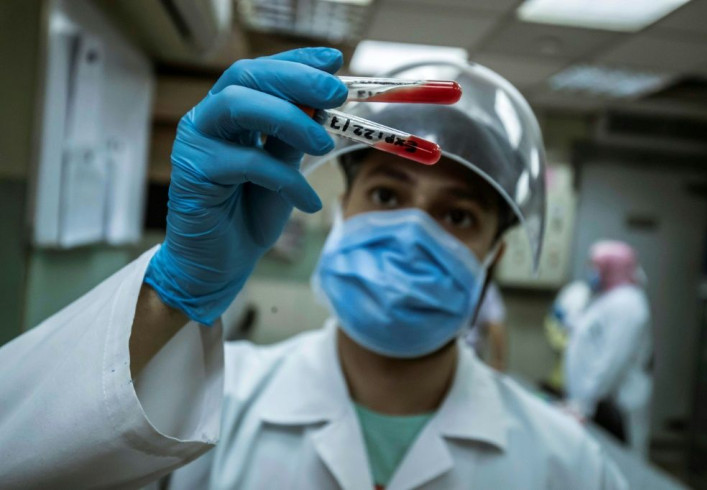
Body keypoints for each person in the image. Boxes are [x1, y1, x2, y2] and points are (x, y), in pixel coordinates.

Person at [0, 48, 627, 489]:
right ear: (343, 207)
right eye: (386, 195)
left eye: (458, 216)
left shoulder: (569, 466)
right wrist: (171, 294)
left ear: (493, 253)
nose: (412, 233)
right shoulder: (211, 406)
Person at [565, 241, 653, 459]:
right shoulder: (608, 298)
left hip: (614, 406)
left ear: (612, 268)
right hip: (595, 404)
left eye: (596, 266)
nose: (591, 271)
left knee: (618, 466)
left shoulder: (629, 305)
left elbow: (612, 360)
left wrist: (584, 403)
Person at [464, 282, 508, 370]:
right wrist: (498, 361)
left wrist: (498, 361)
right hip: (470, 355)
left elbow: (495, 326)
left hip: (439, 356)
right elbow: (496, 326)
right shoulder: (480, 282)